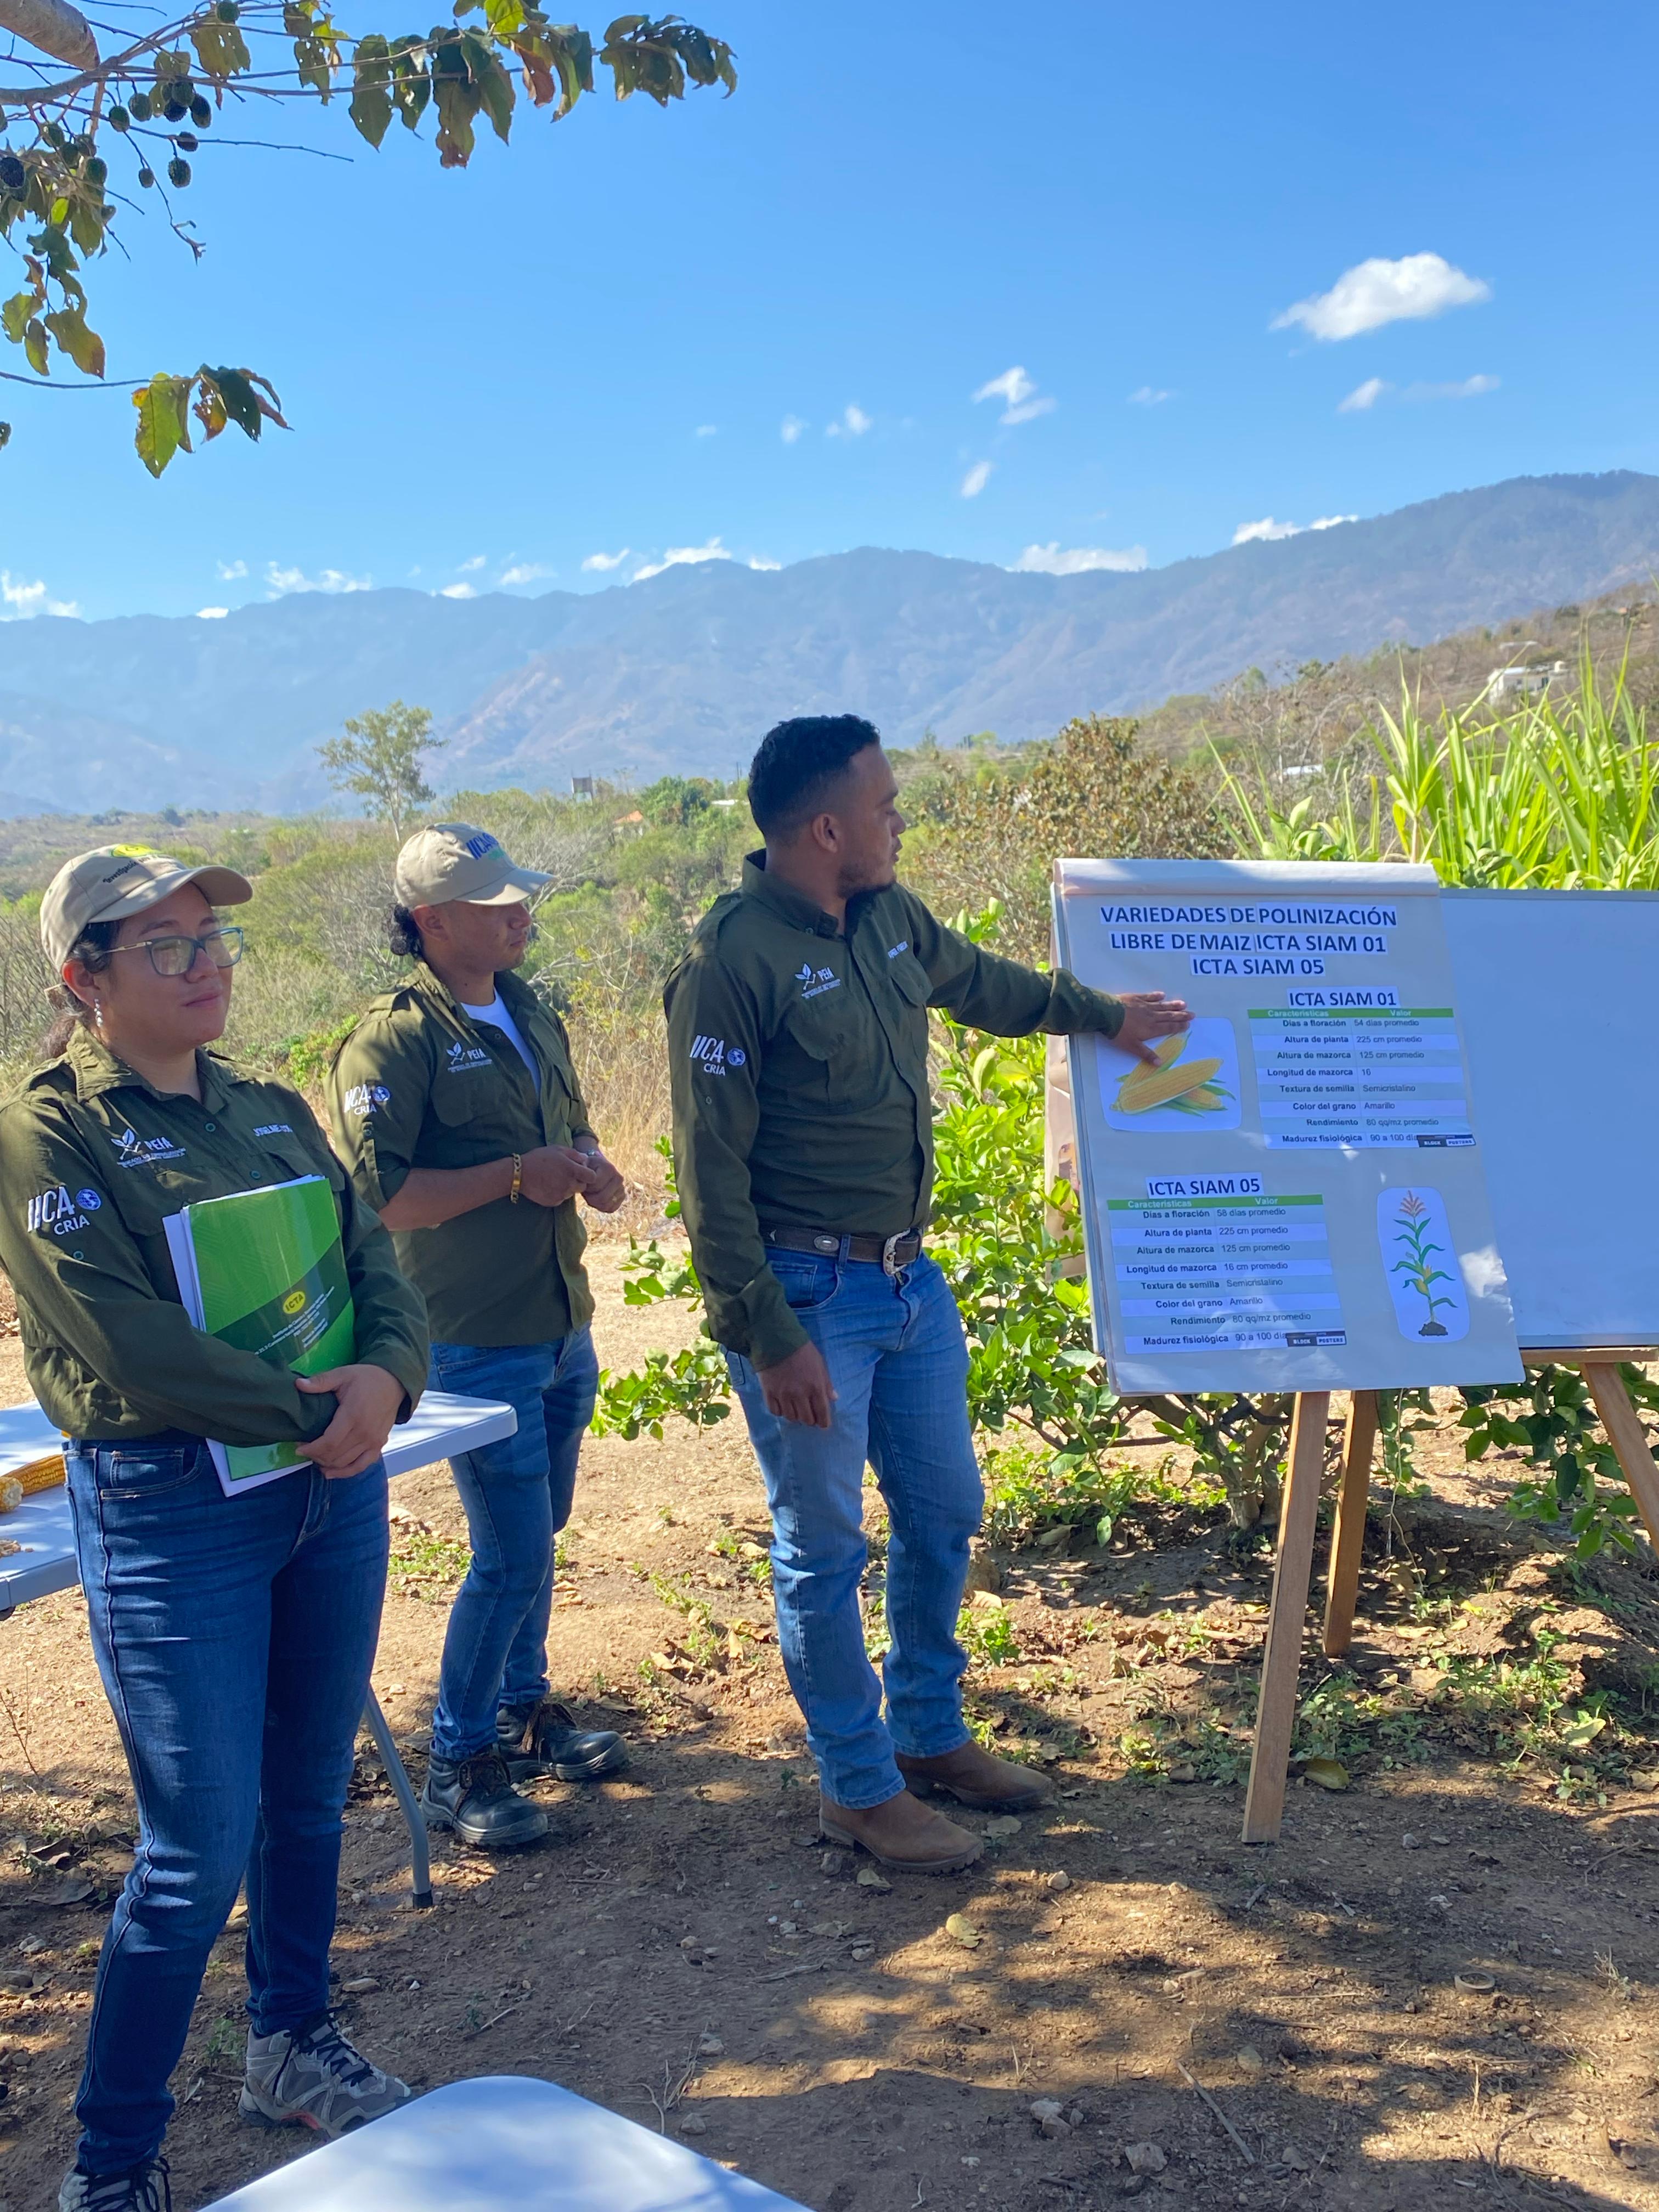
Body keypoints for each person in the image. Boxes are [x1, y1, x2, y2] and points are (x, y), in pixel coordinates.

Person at [664, 718, 1190, 1874]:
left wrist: (1106, 1015)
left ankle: (928, 1735)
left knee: (945, 1511)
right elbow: (708, 1176)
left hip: (910, 1283)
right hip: (809, 1294)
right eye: (888, 804)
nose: (902, 820)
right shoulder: (731, 963)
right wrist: (768, 1333)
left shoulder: (893, 919)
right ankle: (855, 1788)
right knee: (823, 1547)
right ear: (826, 827)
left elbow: (985, 987)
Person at [0, 847, 431, 2212]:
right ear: (85, 979)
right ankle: (112, 2164)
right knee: (194, 1847)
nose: (207, 966)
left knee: (309, 1797)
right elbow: (120, 1339)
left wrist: (390, 1378)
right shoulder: (46, 1132)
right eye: (168, 948)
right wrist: (316, 1399)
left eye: (212, 941)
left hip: (324, 1490)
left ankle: (289, 2046)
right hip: (176, 1508)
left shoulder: (272, 1109)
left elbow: (377, 1264)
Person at [327, 823, 629, 1853]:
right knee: (505, 1556)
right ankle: (459, 1763)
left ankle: (522, 1708)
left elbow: (573, 1122)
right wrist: (512, 1177)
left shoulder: (531, 1007)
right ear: (432, 922)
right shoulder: (392, 1040)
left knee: (535, 1539)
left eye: (519, 896)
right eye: (495, 903)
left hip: (557, 1323)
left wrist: (591, 1164)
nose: (519, 913)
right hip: (469, 1339)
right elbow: (379, 1199)